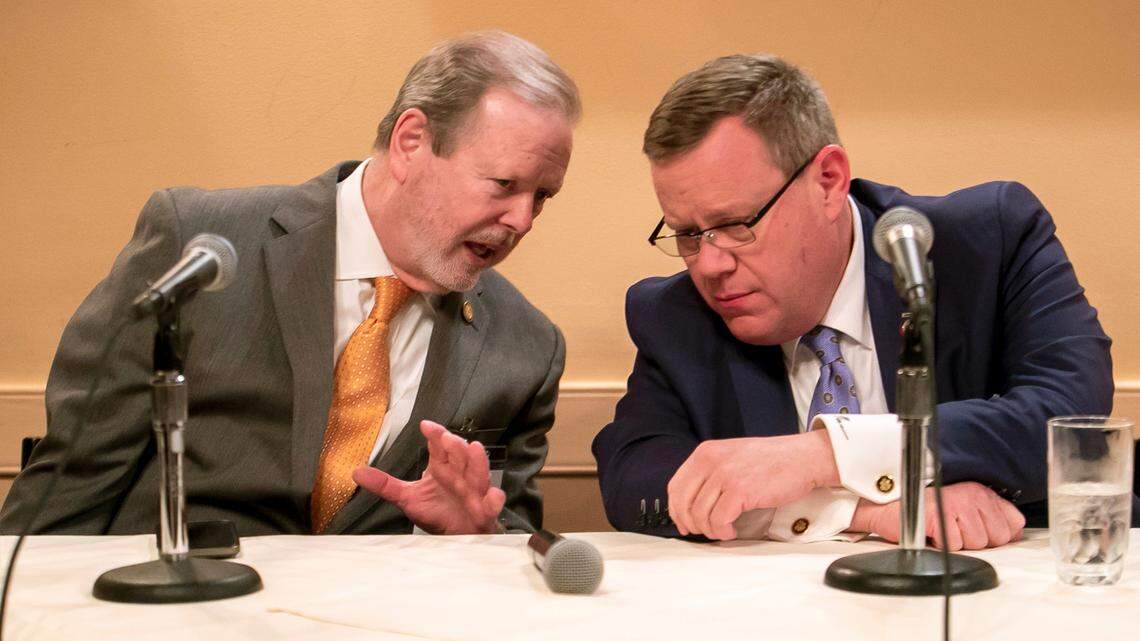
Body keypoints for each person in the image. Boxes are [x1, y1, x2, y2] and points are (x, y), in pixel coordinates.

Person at [1, 31, 580, 536]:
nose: (523, 221)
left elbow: (512, 535)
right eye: (504, 184)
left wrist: (474, 537)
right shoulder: (199, 247)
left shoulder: (526, 347)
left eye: (543, 197)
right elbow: (71, 486)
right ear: (411, 142)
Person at [592, 53, 1124, 550]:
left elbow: (1069, 413)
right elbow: (634, 481)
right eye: (687, 234)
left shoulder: (988, 242)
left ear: (828, 181)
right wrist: (859, 510)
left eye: (734, 225)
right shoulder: (675, 314)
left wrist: (824, 455)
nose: (709, 264)